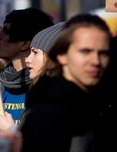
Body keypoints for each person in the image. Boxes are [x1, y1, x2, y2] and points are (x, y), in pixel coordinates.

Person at [20, 13, 111, 152]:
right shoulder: (48, 113)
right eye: (85, 52)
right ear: (61, 55)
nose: (96, 61)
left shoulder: (97, 106)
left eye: (103, 53)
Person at [0, 7, 54, 139]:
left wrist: (13, 133)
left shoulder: (45, 91)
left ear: (24, 44)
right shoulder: (0, 87)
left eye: (6, 31)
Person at [0, 21, 65, 136]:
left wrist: (11, 131)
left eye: (35, 53)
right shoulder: (40, 93)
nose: (28, 59)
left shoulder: (62, 100)